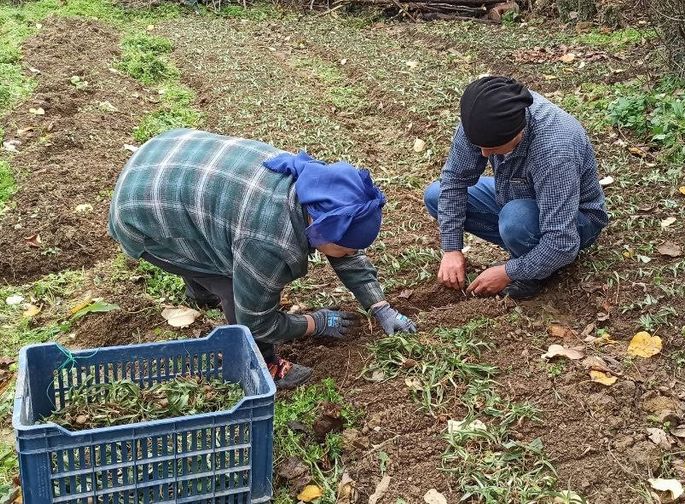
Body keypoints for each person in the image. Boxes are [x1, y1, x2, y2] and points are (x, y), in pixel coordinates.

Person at [109, 128, 416, 389]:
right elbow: (258, 321)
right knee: (232, 286)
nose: (352, 255)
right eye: (348, 248)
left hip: (167, 152)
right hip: (140, 209)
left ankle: (199, 290)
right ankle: (264, 364)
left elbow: (345, 253)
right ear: (322, 232)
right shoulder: (269, 242)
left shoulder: (316, 188)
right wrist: (315, 323)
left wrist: (380, 306)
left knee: (217, 246)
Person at [424, 76, 609, 300]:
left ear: (518, 133)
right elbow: (454, 180)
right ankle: (530, 252)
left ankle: (533, 274)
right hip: (516, 192)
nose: (483, 154)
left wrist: (508, 272)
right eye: (479, 146)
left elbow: (563, 242)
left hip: (575, 220)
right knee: (436, 194)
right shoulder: (482, 115)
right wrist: (452, 249)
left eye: (491, 148)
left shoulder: (555, 151)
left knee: (516, 219)